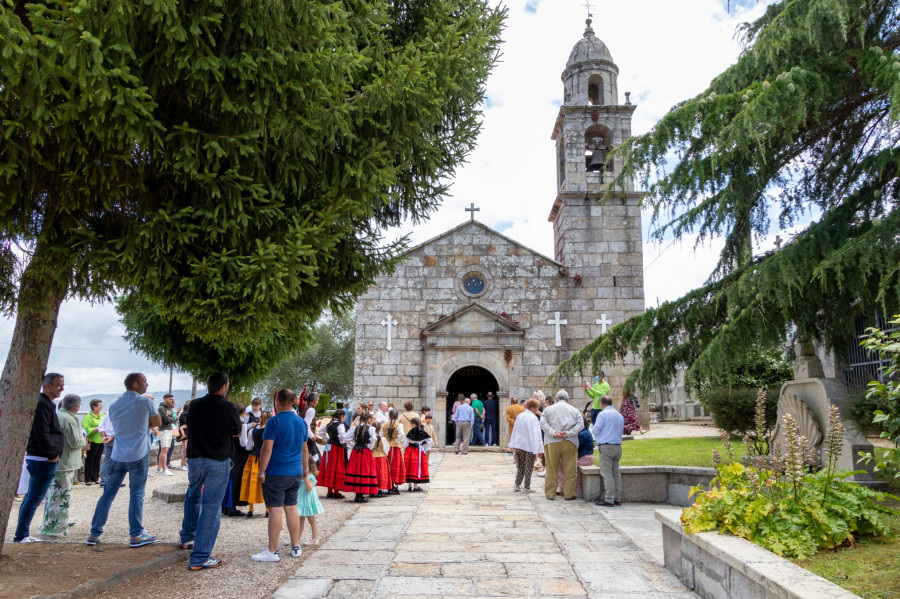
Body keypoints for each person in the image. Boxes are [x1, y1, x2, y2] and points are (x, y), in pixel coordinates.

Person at [87, 373, 162, 548]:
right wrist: (147, 425)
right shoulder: (145, 402)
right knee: (136, 494)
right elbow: (157, 421)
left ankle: (94, 532)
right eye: (144, 382)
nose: (147, 384)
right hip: (138, 453)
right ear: (135, 384)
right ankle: (136, 533)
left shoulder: (114, 405)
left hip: (117, 454)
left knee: (107, 495)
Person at [180, 372, 242, 570]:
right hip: (217, 460)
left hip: (195, 458)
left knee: (193, 495)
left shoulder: (195, 404)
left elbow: (189, 425)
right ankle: (200, 557)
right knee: (211, 507)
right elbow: (238, 431)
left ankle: (187, 537)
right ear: (223, 387)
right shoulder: (227, 406)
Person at [253, 388, 309, 562]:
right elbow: (304, 448)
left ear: (278, 401)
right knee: (292, 508)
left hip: (276, 472)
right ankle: (295, 546)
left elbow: (267, 448)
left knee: (276, 509)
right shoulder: (301, 422)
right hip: (294, 472)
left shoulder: (273, 422)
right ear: (292, 401)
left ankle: (273, 550)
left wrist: (261, 471)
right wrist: (305, 469)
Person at [15, 373, 65, 543]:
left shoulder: (47, 404)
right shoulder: (42, 404)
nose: (62, 389)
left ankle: (22, 534)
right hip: (43, 458)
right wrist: (52, 454)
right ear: (48, 385)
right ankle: (21, 535)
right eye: (58, 385)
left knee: (32, 496)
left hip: (42, 457)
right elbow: (42, 432)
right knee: (34, 498)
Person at [39, 393, 86, 538]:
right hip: (65, 462)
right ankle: (54, 529)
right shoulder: (69, 419)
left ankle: (52, 524)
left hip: (59, 460)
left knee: (54, 496)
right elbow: (75, 441)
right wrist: (84, 441)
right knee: (61, 496)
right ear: (76, 406)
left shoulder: (59, 414)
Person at [539, 389, 584, 501]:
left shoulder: (548, 410)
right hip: (569, 441)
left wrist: (554, 432)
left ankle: (550, 494)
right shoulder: (574, 410)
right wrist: (568, 433)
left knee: (551, 469)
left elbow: (543, 424)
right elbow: (580, 425)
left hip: (552, 441)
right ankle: (569, 494)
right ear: (567, 399)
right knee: (570, 469)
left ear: (556, 399)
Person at [591, 396, 624, 507]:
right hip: (617, 446)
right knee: (616, 473)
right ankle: (618, 498)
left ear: (601, 403)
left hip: (606, 446)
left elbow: (595, 430)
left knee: (607, 473)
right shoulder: (619, 415)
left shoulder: (602, 414)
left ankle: (609, 499)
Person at [341, 411, 377, 503]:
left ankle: (358, 495)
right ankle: (360, 495)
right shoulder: (370, 428)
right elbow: (373, 439)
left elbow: (346, 438)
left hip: (356, 452)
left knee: (356, 471)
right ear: (369, 419)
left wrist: (353, 445)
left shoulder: (355, 428)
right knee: (364, 471)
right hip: (365, 452)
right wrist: (370, 447)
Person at [508, 398, 543, 493]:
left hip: (520, 445)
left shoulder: (520, 416)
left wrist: (513, 443)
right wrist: (539, 448)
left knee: (521, 466)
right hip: (530, 446)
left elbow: (516, 430)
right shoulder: (533, 418)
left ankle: (517, 484)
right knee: (529, 466)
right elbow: (536, 434)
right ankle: (527, 487)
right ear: (534, 408)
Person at [240, 411, 270, 518]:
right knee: (267, 483)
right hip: (266, 460)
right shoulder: (270, 431)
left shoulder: (252, 431)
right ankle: (267, 509)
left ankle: (251, 510)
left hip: (254, 458)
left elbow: (248, 447)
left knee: (252, 483)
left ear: (259, 419)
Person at [222, 401, 249, 517]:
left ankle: (225, 505)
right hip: (237, 453)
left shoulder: (226, 423)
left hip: (227, 452)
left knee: (228, 478)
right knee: (235, 479)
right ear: (244, 412)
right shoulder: (241, 424)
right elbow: (244, 443)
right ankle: (232, 506)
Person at [560, 414, 596, 498]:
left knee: (564, 464)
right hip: (584, 457)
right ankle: (564, 486)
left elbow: (574, 447)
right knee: (562, 462)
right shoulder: (583, 432)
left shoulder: (582, 434)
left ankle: (570, 488)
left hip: (585, 458)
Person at [318, 409, 347, 499]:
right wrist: (342, 442)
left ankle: (330, 491)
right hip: (337, 448)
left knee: (329, 467)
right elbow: (342, 435)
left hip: (329, 447)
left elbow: (320, 432)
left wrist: (328, 440)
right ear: (341, 416)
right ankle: (336, 492)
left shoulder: (329, 424)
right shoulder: (340, 425)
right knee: (337, 467)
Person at [297, 459, 324, 545]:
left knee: (311, 519)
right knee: (300, 520)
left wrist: (305, 479)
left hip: (308, 500)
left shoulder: (310, 476)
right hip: (301, 500)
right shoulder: (299, 475)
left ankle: (315, 538)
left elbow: (309, 489)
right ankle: (296, 540)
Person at [403, 417, 432, 491]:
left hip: (410, 451)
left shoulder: (410, 432)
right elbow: (430, 440)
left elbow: (406, 443)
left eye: (410, 424)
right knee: (416, 467)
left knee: (409, 467)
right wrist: (425, 448)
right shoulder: (422, 432)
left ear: (413, 424)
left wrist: (404, 450)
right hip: (418, 451)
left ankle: (409, 486)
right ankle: (415, 486)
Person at [81, 399, 104, 486]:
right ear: (94, 407)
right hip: (92, 440)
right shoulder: (88, 417)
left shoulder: (102, 415)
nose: (101, 407)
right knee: (90, 459)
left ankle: (95, 477)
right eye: (99, 405)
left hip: (100, 440)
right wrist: (95, 429)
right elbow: (85, 429)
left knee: (97, 459)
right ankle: (88, 478)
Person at [384, 409, 405, 495]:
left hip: (386, 447)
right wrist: (396, 441)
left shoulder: (384, 425)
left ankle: (389, 485)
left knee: (387, 466)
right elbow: (402, 435)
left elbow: (382, 435)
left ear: (389, 416)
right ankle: (392, 485)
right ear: (397, 417)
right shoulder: (399, 425)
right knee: (394, 466)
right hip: (395, 448)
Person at [155, 393, 177, 476]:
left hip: (168, 429)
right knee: (164, 450)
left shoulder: (169, 408)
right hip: (164, 430)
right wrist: (172, 418)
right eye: (169, 399)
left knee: (164, 450)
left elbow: (173, 419)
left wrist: (171, 418)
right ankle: (164, 469)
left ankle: (159, 468)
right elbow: (168, 419)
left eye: (171, 399)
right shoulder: (161, 408)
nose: (171, 400)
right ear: (165, 399)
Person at [371, 422, 391, 498]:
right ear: (380, 429)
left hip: (373, 457)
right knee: (382, 473)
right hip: (382, 457)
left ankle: (373, 489)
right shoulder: (383, 439)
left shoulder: (371, 438)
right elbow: (386, 449)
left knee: (374, 474)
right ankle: (381, 489)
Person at [177, 400, 190, 470]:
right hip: (184, 434)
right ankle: (183, 464)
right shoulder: (183, 415)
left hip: (187, 433)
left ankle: (185, 463)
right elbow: (186, 423)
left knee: (186, 449)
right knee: (184, 449)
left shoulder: (186, 415)